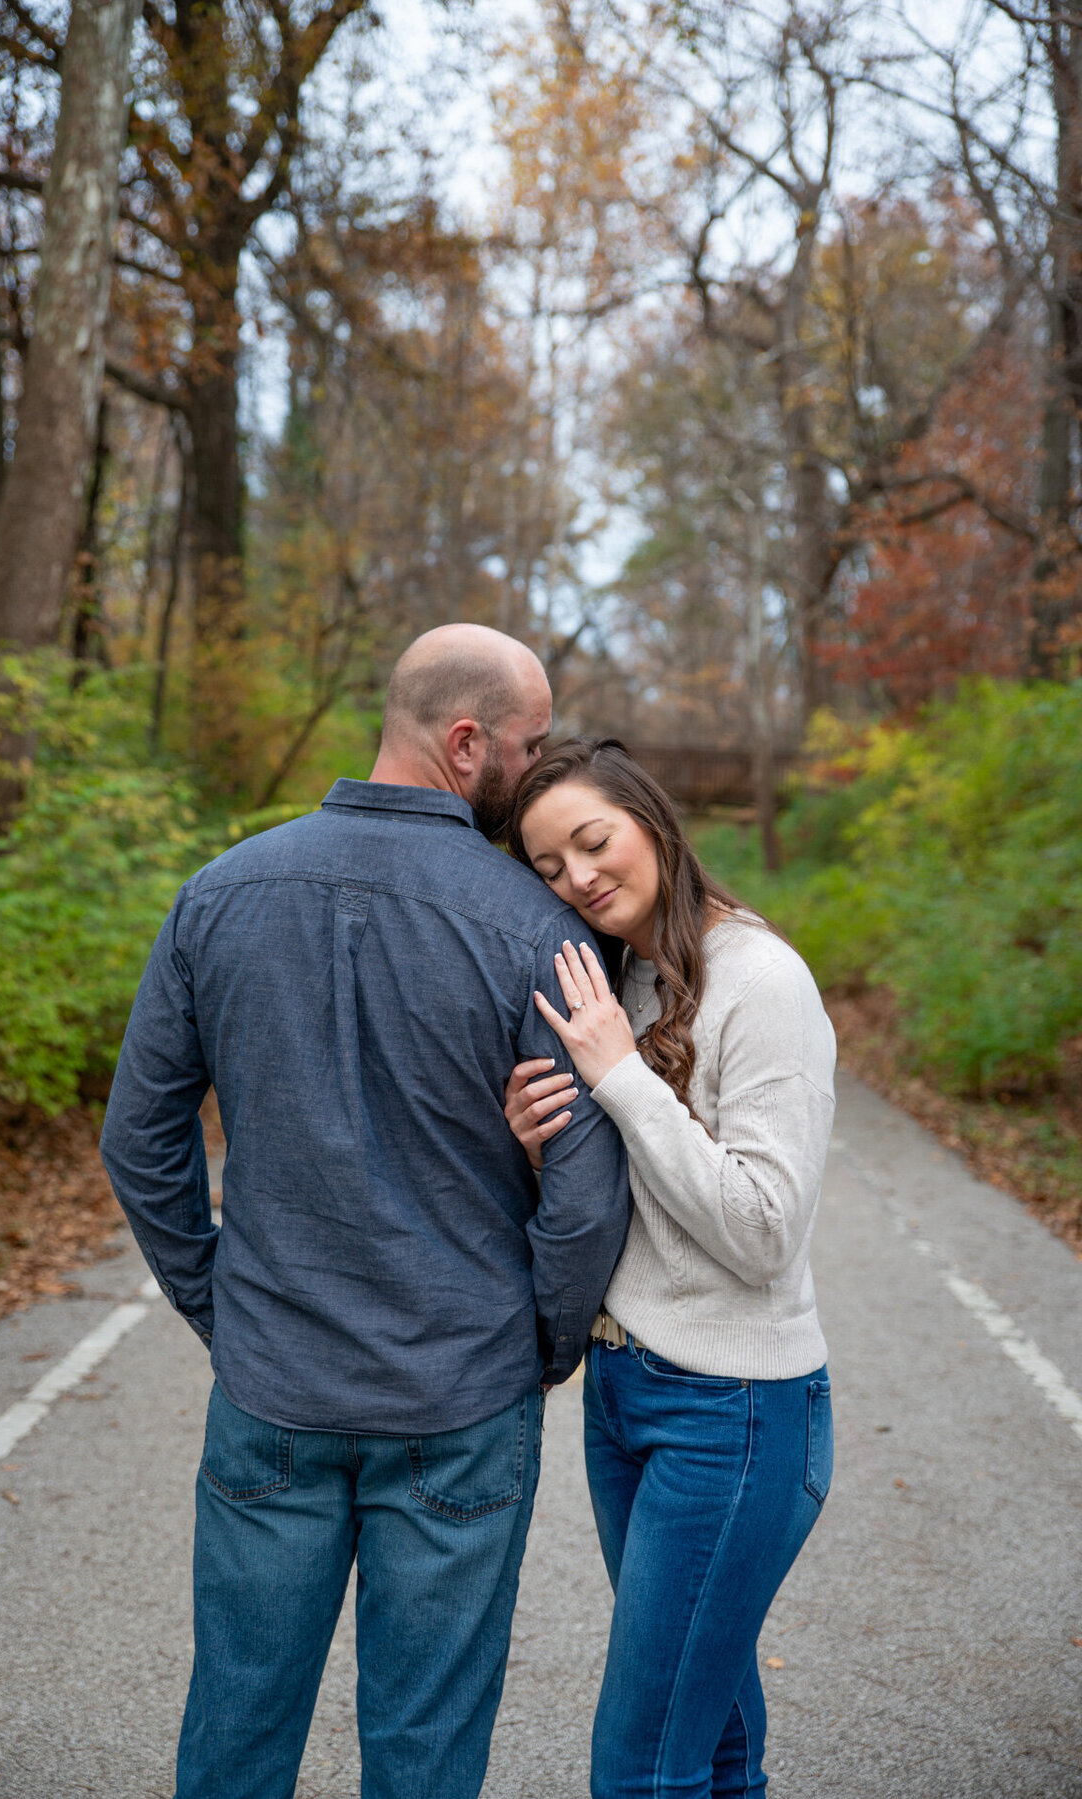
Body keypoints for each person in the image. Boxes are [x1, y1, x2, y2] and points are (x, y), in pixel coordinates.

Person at [99, 627, 629, 1799]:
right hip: (461, 1391)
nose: (539, 769)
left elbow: (140, 1140)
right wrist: (535, 1344)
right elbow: (587, 1189)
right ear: (464, 741)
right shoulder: (539, 930)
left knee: (236, 1722)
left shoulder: (218, 892)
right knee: (426, 1747)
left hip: (273, 1384)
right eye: (530, 744)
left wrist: (225, 1307)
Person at [502, 737, 836, 1799]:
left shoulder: (761, 977)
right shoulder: (631, 976)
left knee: (643, 1766)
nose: (579, 877)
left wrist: (617, 1078)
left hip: (732, 1412)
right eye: (549, 867)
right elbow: (638, 1194)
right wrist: (539, 1141)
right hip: (628, 1388)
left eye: (592, 840)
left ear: (650, 818)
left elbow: (763, 1226)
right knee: (715, 1734)